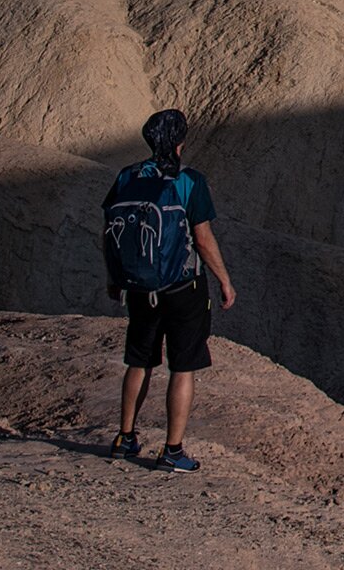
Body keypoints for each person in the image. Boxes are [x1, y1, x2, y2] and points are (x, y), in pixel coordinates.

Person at [100, 108, 237, 471]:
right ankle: (172, 450)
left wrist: (115, 278)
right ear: (180, 143)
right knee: (182, 368)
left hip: (140, 287)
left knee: (139, 361)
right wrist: (223, 279)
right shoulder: (189, 181)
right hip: (183, 288)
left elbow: (111, 232)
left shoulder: (127, 176)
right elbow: (203, 239)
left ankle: (124, 439)